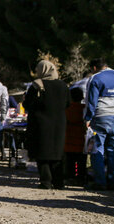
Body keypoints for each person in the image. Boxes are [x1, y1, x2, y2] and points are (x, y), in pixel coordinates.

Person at [24, 60, 70, 189]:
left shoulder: (37, 85)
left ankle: (46, 182)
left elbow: (28, 104)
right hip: (59, 123)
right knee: (57, 152)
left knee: (42, 152)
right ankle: (59, 181)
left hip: (41, 123)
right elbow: (68, 103)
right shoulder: (63, 85)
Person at [84, 58, 114, 190]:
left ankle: (100, 182)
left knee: (97, 149)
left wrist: (88, 118)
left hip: (101, 117)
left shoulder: (96, 78)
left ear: (94, 68)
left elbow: (92, 101)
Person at [64, 87, 87, 186]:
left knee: (70, 162)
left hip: (69, 140)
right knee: (81, 162)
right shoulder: (84, 109)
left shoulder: (66, 109)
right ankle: (81, 178)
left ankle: (71, 177)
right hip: (81, 141)